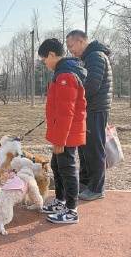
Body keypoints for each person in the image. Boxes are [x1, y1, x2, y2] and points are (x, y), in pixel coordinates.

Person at [38, 38, 87, 224]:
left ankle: (71, 210)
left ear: (52, 54)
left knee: (67, 170)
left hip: (67, 134)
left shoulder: (66, 75)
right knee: (57, 166)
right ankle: (61, 201)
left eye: (44, 59)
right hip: (62, 133)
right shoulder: (61, 73)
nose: (44, 63)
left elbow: (67, 112)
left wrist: (60, 140)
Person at [66, 30, 113, 201]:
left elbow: (92, 85)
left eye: (71, 46)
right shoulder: (88, 58)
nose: (71, 50)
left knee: (94, 148)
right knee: (84, 147)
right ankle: (85, 182)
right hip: (88, 109)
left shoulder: (95, 56)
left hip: (96, 109)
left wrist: (73, 96)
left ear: (80, 41)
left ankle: (97, 188)